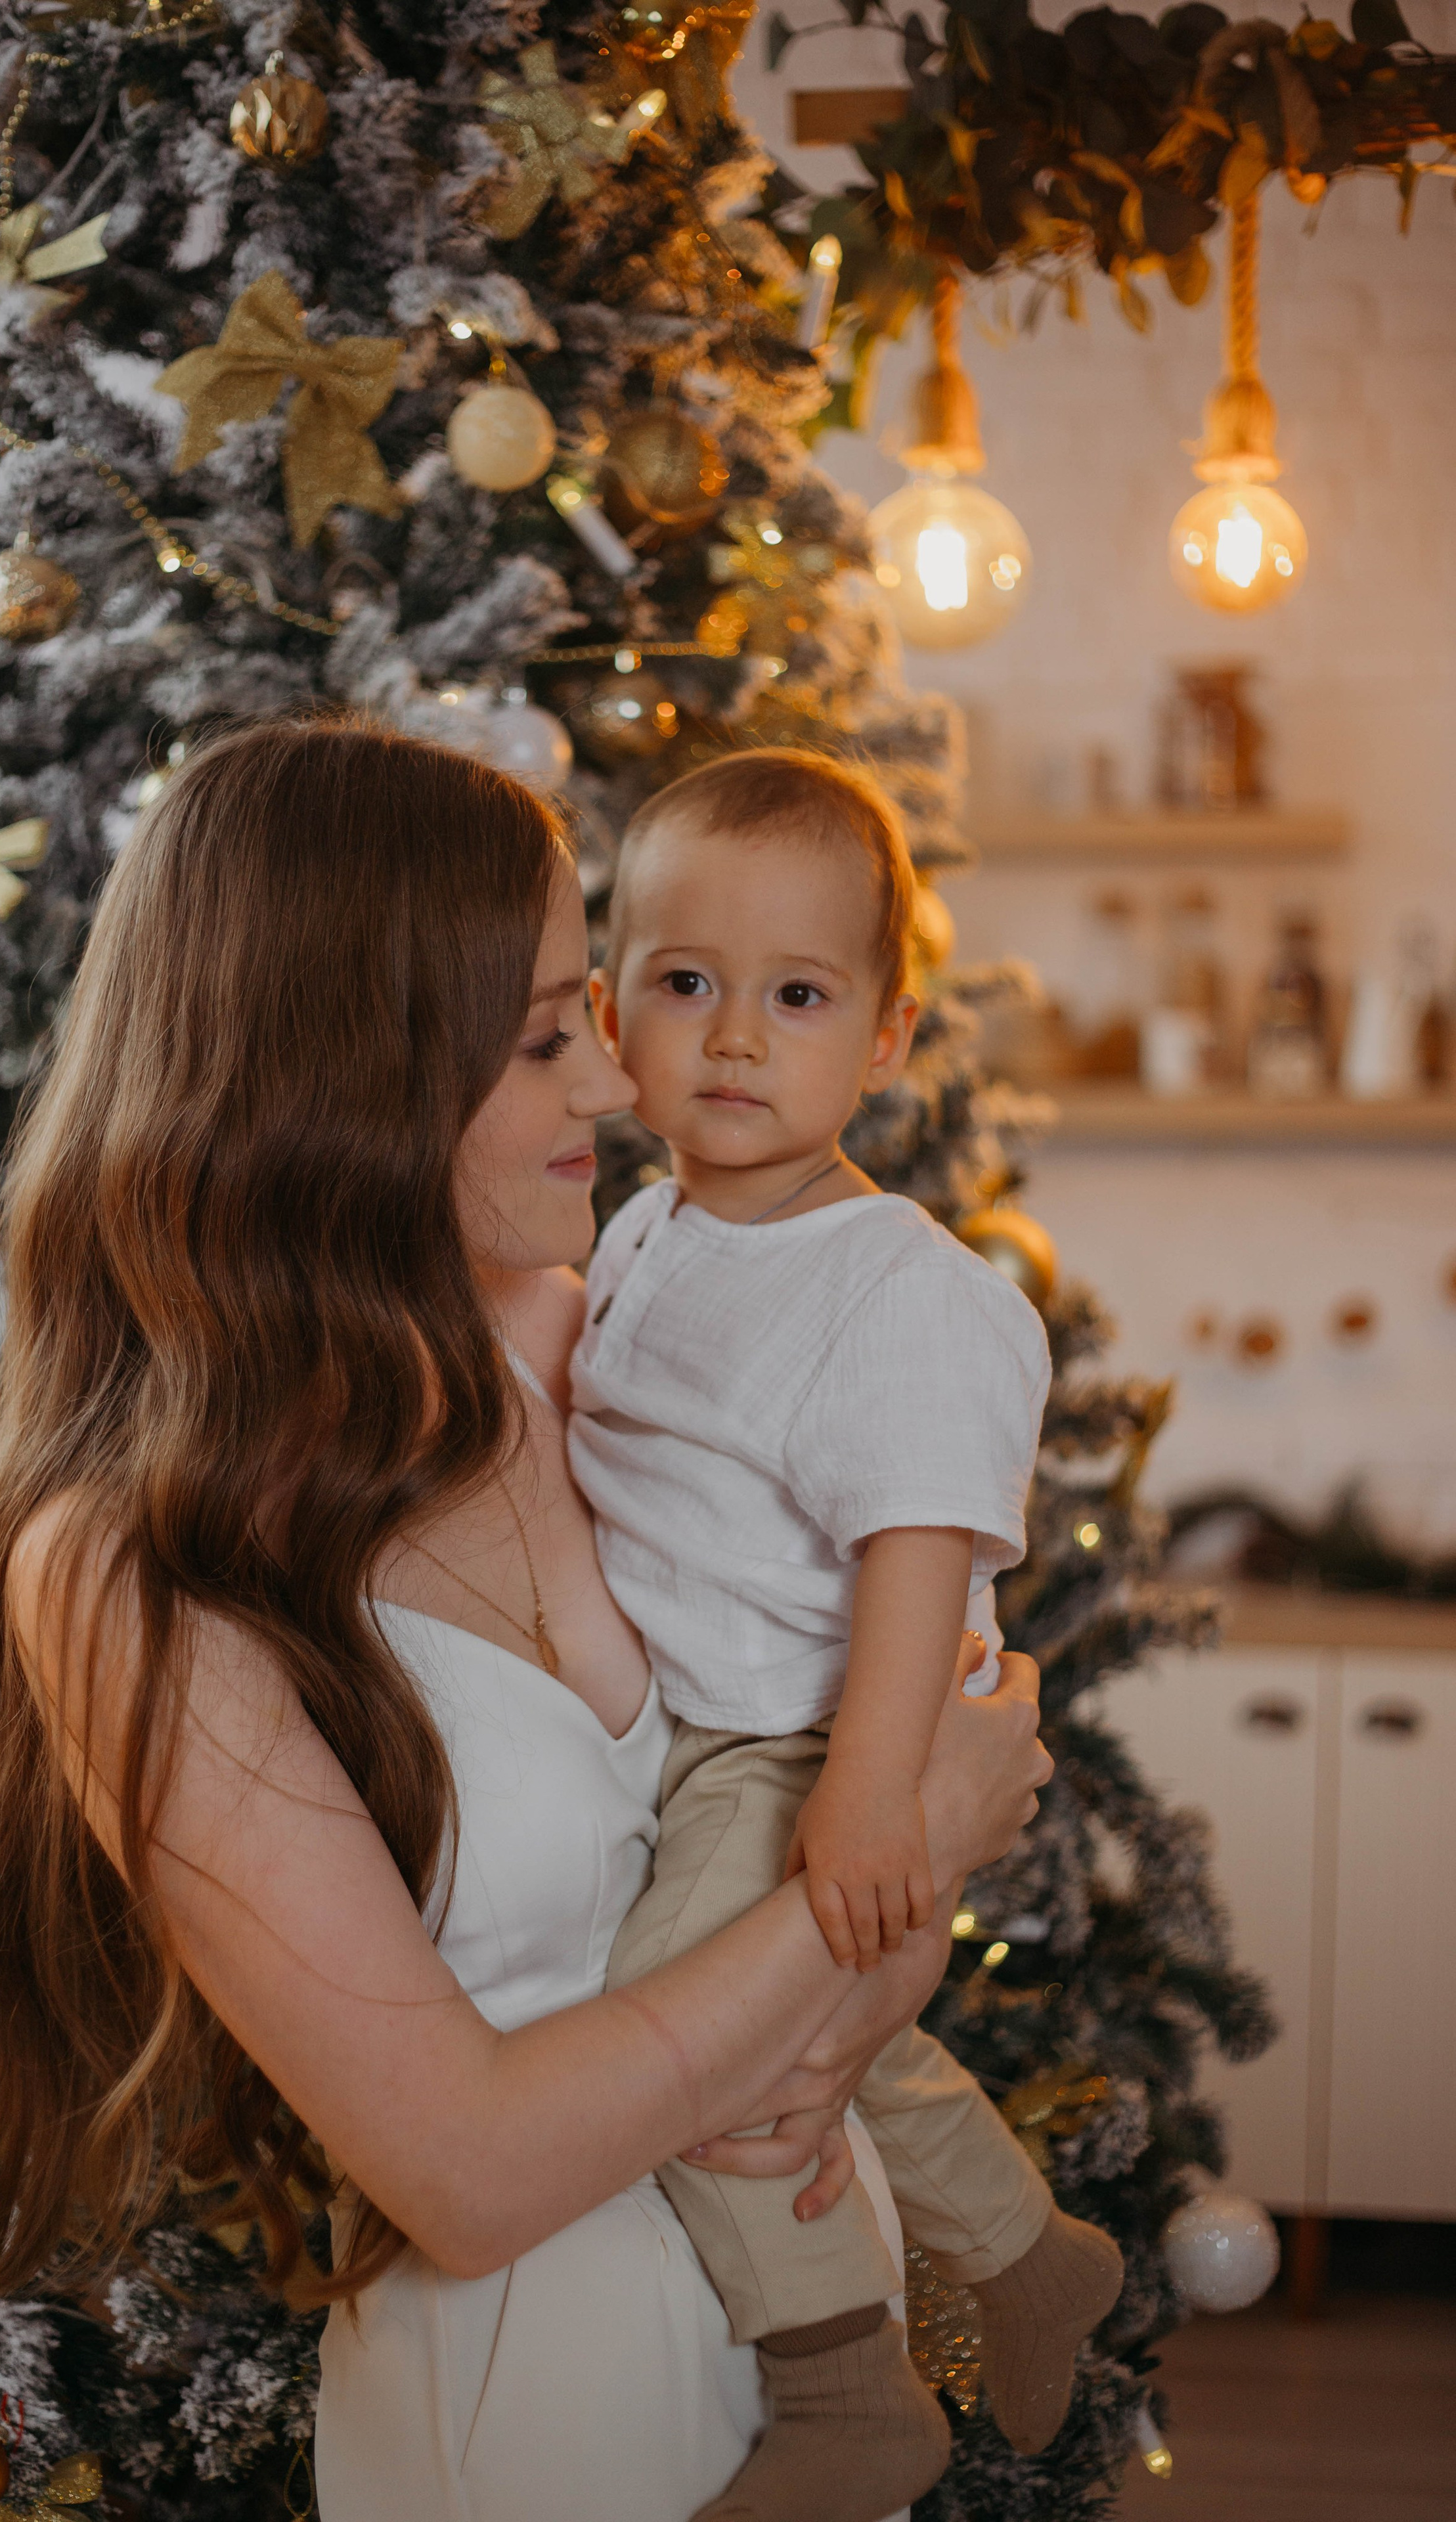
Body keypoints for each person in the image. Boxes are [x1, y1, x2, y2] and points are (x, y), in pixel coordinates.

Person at [0, 717, 1051, 2522]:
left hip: (810, 2378)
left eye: (595, 1009)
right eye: (538, 1039)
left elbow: (876, 1749)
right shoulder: (122, 1568)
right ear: (342, 1076)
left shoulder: (585, 1355)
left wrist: (895, 1910)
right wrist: (897, 1870)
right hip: (528, 2424)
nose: (613, 1082)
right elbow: (472, 2171)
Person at [577, 749, 1124, 2522]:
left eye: (797, 998)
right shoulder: (646, 1231)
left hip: (809, 1736)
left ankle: (839, 2387)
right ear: (610, 1016)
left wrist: (873, 1794)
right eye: (687, 986)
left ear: (885, 1043)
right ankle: (1031, 2259)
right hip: (706, 1727)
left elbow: (918, 1548)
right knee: (844, 2045)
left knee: (682, 2031)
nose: (737, 1038)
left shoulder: (895, 1284)